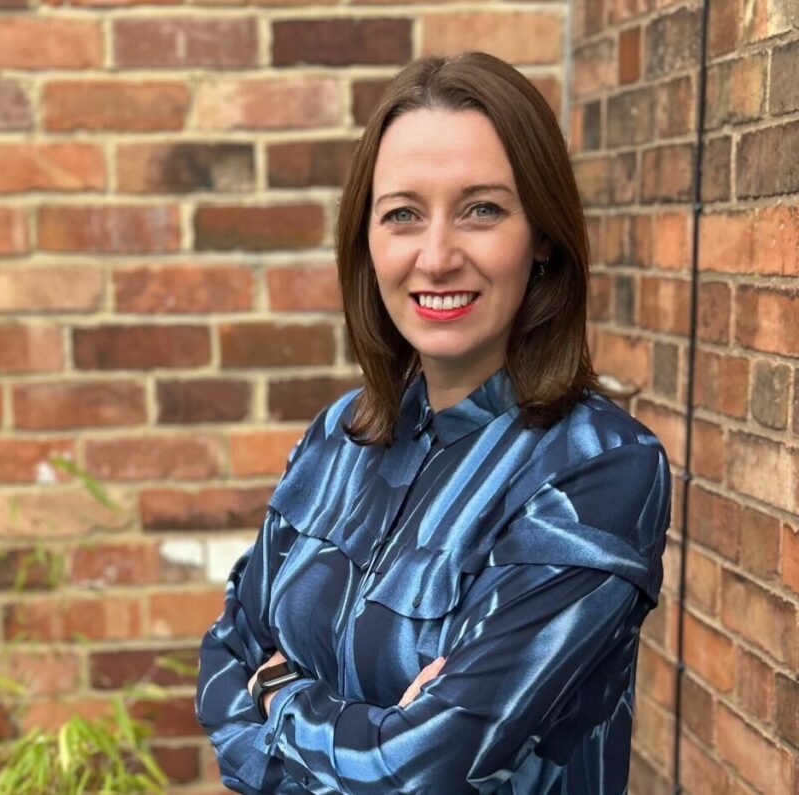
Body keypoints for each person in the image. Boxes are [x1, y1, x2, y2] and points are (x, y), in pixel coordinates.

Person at [195, 52, 671, 794]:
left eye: (482, 208)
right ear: (368, 241)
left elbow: (427, 766)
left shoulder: (598, 469)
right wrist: (362, 727)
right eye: (403, 215)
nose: (437, 255)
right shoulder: (337, 438)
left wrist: (280, 693)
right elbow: (225, 654)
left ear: (541, 235)